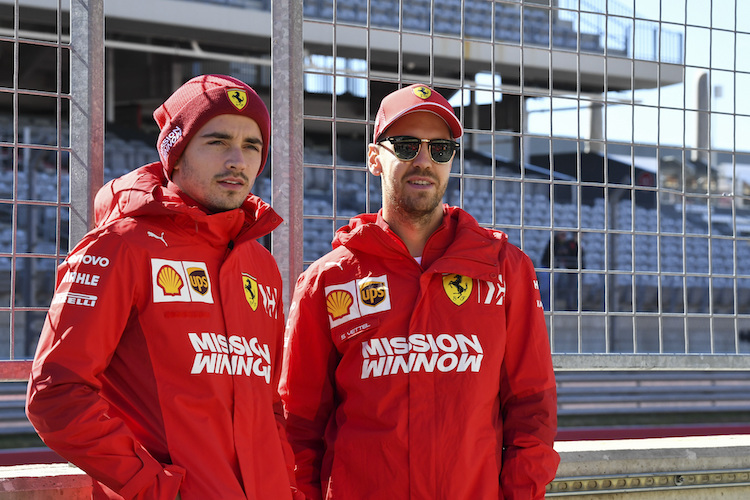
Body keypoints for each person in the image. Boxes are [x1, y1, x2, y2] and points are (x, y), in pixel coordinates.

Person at [26, 75, 303, 500]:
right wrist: (158, 489)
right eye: (217, 141)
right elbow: (56, 393)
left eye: (252, 146)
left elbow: (271, 409)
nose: (238, 160)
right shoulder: (121, 245)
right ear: (176, 151)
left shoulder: (260, 264)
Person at [280, 83, 559, 499]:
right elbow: (298, 425)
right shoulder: (327, 280)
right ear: (375, 158)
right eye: (407, 145)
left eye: (440, 150)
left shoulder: (505, 269)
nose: (424, 161)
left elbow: (532, 406)